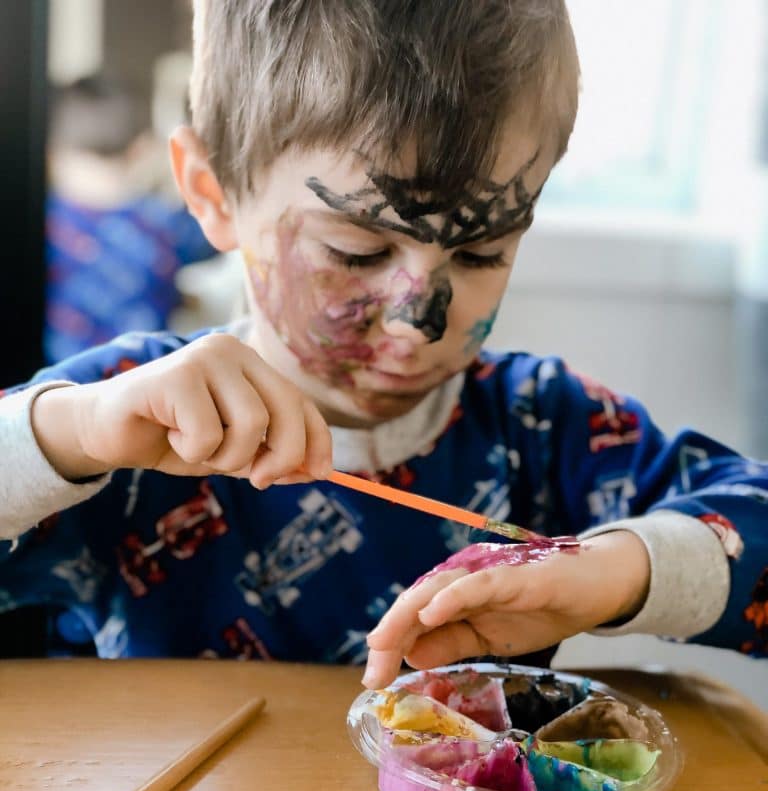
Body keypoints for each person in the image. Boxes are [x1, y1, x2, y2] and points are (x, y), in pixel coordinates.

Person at [0, 0, 765, 677]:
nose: (416, 319)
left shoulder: (541, 424)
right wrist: (67, 433)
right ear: (212, 192)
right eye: (356, 252)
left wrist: (619, 573)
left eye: (481, 253)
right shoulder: (127, 419)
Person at [45, 74, 216, 365]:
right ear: (140, 149)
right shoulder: (164, 225)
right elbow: (218, 231)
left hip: (46, 394)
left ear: (50, 149)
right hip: (144, 390)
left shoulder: (43, 221)